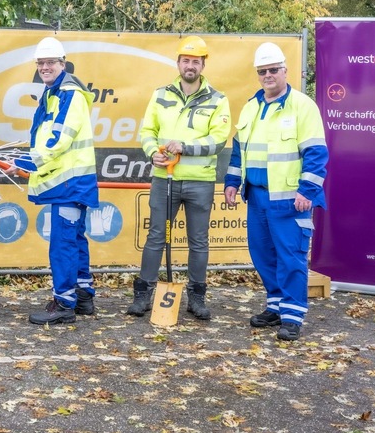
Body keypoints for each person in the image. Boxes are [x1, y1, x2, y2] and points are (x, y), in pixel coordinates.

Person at [223, 42, 328, 341]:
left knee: (291, 256)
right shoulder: (251, 106)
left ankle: (293, 315)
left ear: (284, 70)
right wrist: (232, 182)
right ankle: (276, 306)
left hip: (290, 198)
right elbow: (238, 151)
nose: (268, 75)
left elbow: (316, 153)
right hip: (256, 195)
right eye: (262, 71)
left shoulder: (302, 105)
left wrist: (307, 190)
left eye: (273, 70)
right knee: (263, 254)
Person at [128, 36, 231, 320]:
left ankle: (196, 298)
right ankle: (143, 294)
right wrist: (153, 154)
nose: (190, 66)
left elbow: (218, 141)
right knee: (156, 237)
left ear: (202, 65)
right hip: (165, 178)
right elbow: (147, 131)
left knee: (198, 241)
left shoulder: (217, 99)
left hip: (200, 181)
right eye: (186, 60)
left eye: (195, 61)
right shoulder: (161, 94)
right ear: (178, 63)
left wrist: (185, 148)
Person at [6, 37, 99, 325]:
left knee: (63, 243)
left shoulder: (68, 94)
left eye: (50, 62)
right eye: (41, 63)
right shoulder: (53, 94)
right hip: (70, 183)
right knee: (75, 239)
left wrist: (25, 163)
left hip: (69, 185)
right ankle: (83, 297)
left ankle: (64, 304)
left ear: (62, 64)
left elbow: (58, 141)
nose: (45, 67)